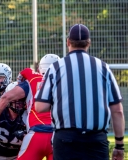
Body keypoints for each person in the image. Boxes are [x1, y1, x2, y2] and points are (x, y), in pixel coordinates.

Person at [34, 24, 125, 160]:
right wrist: (119, 145)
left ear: (68, 42)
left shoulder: (55, 68)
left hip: (66, 141)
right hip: (96, 141)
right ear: (88, 43)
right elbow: (117, 111)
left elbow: (40, 107)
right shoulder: (103, 67)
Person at [0, 54, 60, 160]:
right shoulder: (66, 83)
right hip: (58, 136)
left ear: (39, 68)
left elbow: (6, 97)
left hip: (36, 134)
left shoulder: (33, 79)